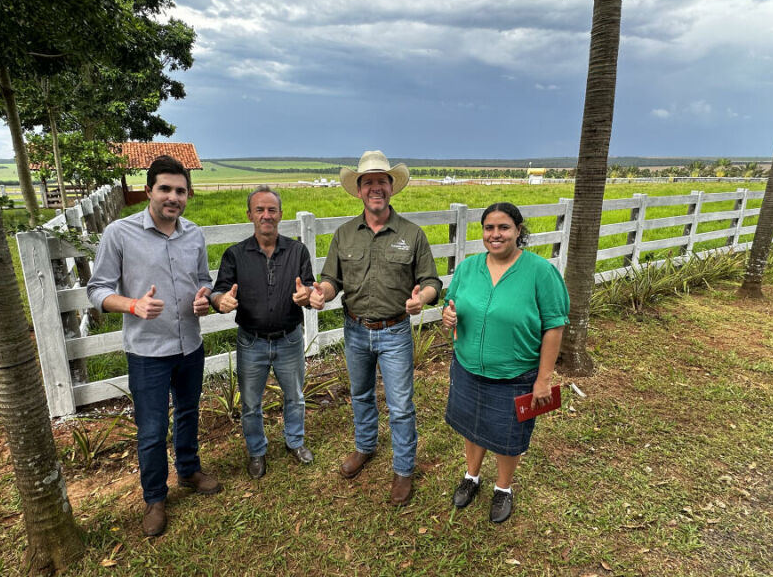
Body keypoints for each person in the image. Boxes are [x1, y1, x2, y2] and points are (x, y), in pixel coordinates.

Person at [87, 155, 221, 537]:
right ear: (148, 190)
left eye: (180, 191)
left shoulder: (193, 233)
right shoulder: (120, 233)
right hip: (147, 352)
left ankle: (189, 470)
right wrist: (133, 305)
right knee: (150, 428)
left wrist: (204, 297)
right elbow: (97, 289)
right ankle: (155, 498)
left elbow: (203, 280)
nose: (173, 197)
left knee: (188, 412)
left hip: (189, 345)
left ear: (188, 195)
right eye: (165, 188)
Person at [309, 150, 442, 506]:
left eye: (381, 181)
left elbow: (431, 281)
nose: (375, 188)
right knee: (362, 395)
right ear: (359, 190)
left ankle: (403, 469)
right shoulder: (344, 235)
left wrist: (422, 299)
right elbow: (331, 279)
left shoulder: (412, 234)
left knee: (400, 406)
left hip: (395, 331)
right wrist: (320, 293)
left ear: (391, 187)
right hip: (355, 329)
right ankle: (365, 447)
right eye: (368, 182)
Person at [441, 202, 569, 523]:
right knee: (472, 426)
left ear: (518, 231)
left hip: (516, 373)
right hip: (469, 367)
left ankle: (503, 488)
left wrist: (543, 379)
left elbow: (554, 326)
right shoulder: (469, 267)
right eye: (489, 228)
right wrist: (448, 315)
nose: (495, 234)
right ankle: (471, 477)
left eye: (503, 228)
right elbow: (451, 304)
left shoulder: (540, 272)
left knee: (507, 436)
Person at [211, 185, 315, 479]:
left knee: (294, 396)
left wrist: (306, 294)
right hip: (251, 341)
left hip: (289, 338)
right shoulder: (235, 254)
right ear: (250, 215)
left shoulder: (297, 251)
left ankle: (295, 441)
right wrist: (221, 301)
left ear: (280, 215)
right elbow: (219, 290)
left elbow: (309, 283)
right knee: (251, 403)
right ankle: (257, 451)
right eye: (260, 210)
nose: (266, 215)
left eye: (271, 210)